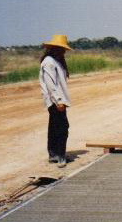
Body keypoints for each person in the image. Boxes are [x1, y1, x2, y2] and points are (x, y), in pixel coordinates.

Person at [39, 34, 72, 168]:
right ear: (53, 48)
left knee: (54, 127)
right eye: (60, 48)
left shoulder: (56, 61)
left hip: (57, 99)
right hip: (55, 101)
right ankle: (61, 156)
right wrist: (59, 101)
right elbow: (51, 84)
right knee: (63, 127)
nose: (63, 51)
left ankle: (53, 154)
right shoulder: (49, 62)